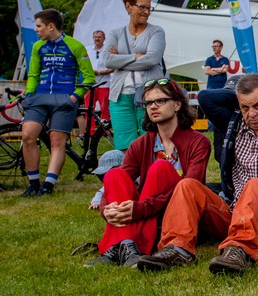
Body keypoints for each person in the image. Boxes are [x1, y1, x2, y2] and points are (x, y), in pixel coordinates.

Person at [137, 73, 258, 274]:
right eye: (245, 107)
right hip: (238, 215)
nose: (252, 114)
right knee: (187, 186)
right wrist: (240, 93)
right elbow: (205, 97)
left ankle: (239, 249)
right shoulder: (234, 123)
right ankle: (177, 248)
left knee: (256, 184)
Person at [85, 79, 211, 267]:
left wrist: (142, 208)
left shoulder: (199, 142)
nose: (153, 106)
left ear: (177, 104)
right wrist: (106, 208)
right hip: (144, 211)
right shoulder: (141, 144)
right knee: (114, 175)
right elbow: (117, 184)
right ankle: (124, 245)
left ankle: (136, 245)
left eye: (160, 101)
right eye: (149, 103)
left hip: (178, 214)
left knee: (161, 167)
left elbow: (191, 186)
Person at [19, 9, 95, 197]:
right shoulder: (38, 47)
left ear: (50, 26)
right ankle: (34, 183)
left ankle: (48, 185)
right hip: (39, 98)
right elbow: (34, 74)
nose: (36, 30)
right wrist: (29, 94)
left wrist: (74, 97)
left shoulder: (75, 46)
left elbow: (89, 77)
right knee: (28, 135)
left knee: (57, 140)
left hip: (65, 99)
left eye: (39, 26)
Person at [103, 0, 166, 151]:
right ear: (128, 6)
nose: (146, 12)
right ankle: (131, 176)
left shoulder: (156, 32)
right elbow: (107, 60)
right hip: (120, 95)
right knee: (124, 143)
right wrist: (135, 56)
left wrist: (120, 59)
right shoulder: (115, 33)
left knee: (151, 141)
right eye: (142, 7)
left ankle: (150, 175)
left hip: (148, 94)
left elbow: (152, 59)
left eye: (148, 8)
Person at [81, 30, 112, 136]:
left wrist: (99, 72)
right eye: (95, 37)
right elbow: (82, 63)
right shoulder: (87, 49)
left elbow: (113, 66)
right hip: (90, 83)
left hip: (104, 83)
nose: (97, 39)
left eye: (99, 37)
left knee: (104, 109)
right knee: (89, 108)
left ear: (104, 38)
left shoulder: (108, 50)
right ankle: (90, 131)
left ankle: (105, 131)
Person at [204, 39, 230, 162]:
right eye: (213, 46)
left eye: (216, 46)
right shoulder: (209, 59)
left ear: (221, 47)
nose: (214, 48)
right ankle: (211, 128)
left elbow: (225, 70)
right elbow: (206, 71)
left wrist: (213, 70)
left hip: (222, 88)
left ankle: (219, 128)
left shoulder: (225, 59)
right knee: (210, 110)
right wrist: (218, 70)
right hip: (211, 88)